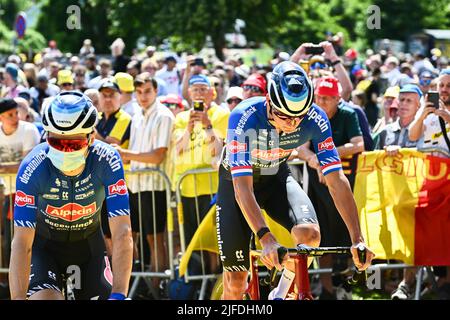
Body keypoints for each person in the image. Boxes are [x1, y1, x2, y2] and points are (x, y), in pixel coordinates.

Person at [217, 61, 374, 300]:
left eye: (298, 117)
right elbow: (242, 189)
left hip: (275, 177)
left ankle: (279, 295)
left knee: (310, 236)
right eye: (284, 116)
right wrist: (266, 238)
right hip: (237, 184)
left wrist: (358, 239)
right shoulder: (243, 117)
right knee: (237, 282)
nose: (291, 124)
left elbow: (336, 179)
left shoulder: (316, 118)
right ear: (268, 102)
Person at [9, 91, 133, 300]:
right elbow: (22, 243)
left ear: (91, 137)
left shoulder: (108, 160)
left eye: (73, 144)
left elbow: (122, 231)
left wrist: (119, 294)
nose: (65, 151)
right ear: (46, 135)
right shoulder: (32, 167)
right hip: (44, 248)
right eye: (57, 143)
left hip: (89, 248)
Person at [114, 73, 174, 293]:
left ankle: (159, 287)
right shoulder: (136, 115)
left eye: (147, 91)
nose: (143, 96)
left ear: (156, 90)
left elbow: (158, 155)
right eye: (139, 92)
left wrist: (126, 154)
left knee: (155, 238)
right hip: (136, 184)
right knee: (137, 236)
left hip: (155, 184)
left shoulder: (164, 115)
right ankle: (145, 285)